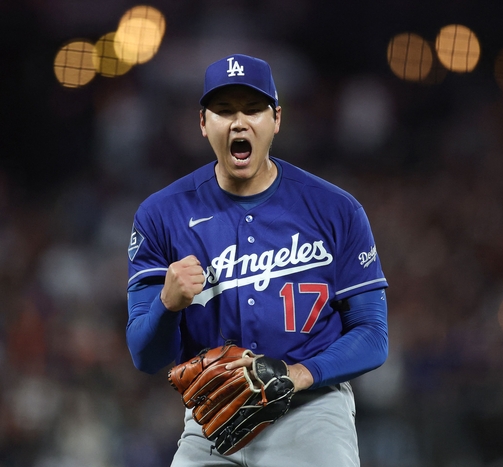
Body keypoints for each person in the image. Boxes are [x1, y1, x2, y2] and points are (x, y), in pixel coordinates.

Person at [126, 53, 389, 467]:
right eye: (224, 110)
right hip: (213, 417)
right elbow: (146, 357)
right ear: (203, 123)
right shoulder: (162, 214)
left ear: (276, 119)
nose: (239, 122)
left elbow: (373, 335)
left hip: (312, 408)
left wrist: (299, 374)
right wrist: (166, 305)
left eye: (253, 109)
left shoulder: (335, 209)